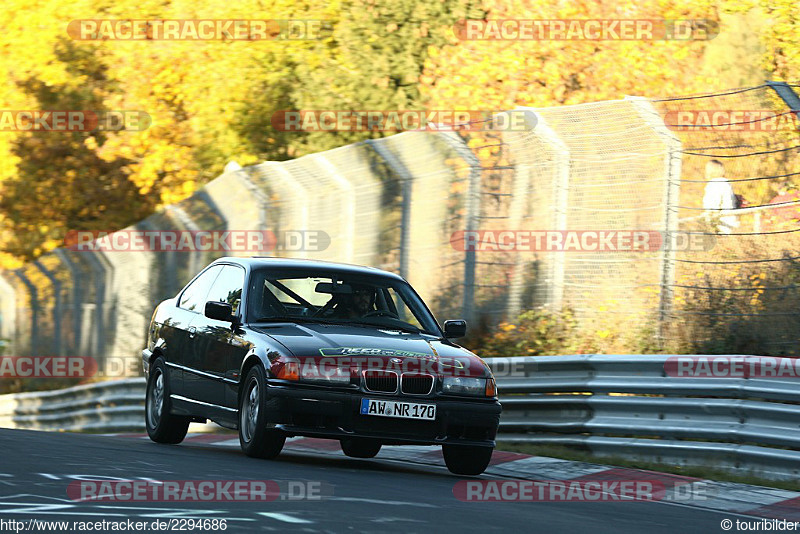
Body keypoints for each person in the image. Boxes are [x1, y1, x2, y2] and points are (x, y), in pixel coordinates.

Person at [702, 159, 740, 234]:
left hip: (720, 225)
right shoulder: (725, 183)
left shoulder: (715, 184)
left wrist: (708, 220)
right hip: (729, 221)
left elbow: (713, 206)